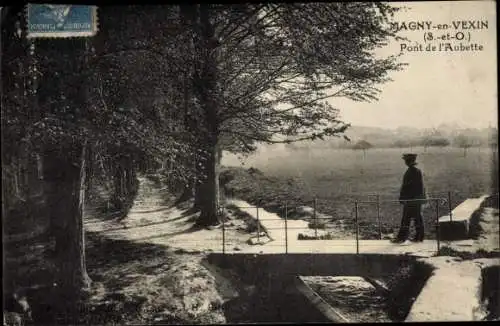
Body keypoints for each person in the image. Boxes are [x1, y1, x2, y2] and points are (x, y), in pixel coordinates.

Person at [391, 153, 426, 244]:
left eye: (406, 160)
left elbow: (409, 187)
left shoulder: (412, 172)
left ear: (408, 161)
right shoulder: (415, 171)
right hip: (415, 199)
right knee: (416, 218)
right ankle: (419, 237)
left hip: (412, 200)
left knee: (407, 218)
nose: (405, 162)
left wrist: (404, 198)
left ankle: (402, 238)